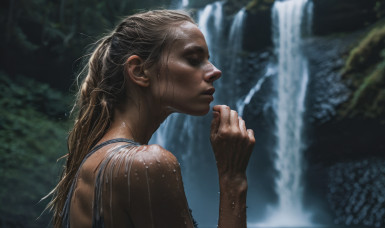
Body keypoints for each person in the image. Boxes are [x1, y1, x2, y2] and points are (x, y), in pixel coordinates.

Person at [47, 9, 255, 228]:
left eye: (208, 60)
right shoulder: (144, 164)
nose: (216, 71)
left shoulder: (94, 161)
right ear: (139, 71)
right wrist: (233, 178)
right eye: (194, 59)